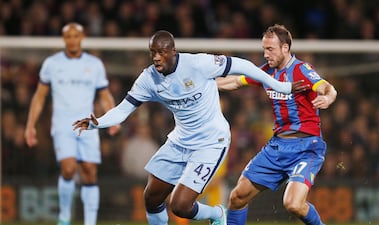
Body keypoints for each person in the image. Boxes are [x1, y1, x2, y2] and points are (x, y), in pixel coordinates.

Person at [72, 30, 306, 225]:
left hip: (211, 142)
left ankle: (217, 214)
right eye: (153, 52)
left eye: (162, 52)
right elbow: (124, 109)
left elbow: (242, 65)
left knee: (180, 206)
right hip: (180, 140)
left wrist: (281, 86)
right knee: (152, 198)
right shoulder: (148, 79)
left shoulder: (197, 64)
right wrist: (98, 123)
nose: (156, 58)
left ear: (173, 51)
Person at [217, 24, 337, 225]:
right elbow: (236, 82)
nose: (265, 54)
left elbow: (327, 87)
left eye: (270, 49)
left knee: (293, 204)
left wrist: (328, 97)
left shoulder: (301, 70)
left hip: (306, 147)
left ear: (285, 48)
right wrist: (201, 84)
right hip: (276, 147)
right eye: (264, 49)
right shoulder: (266, 72)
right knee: (237, 197)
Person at [24, 22, 120, 225]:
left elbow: (105, 95)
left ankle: (90, 222)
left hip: (88, 124)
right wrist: (30, 125)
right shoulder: (52, 63)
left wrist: (112, 118)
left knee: (90, 170)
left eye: (76, 36)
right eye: (69, 36)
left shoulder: (94, 64)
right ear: (64, 39)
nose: (72, 40)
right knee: (68, 169)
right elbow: (40, 96)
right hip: (62, 124)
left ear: (82, 37)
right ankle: (65, 217)